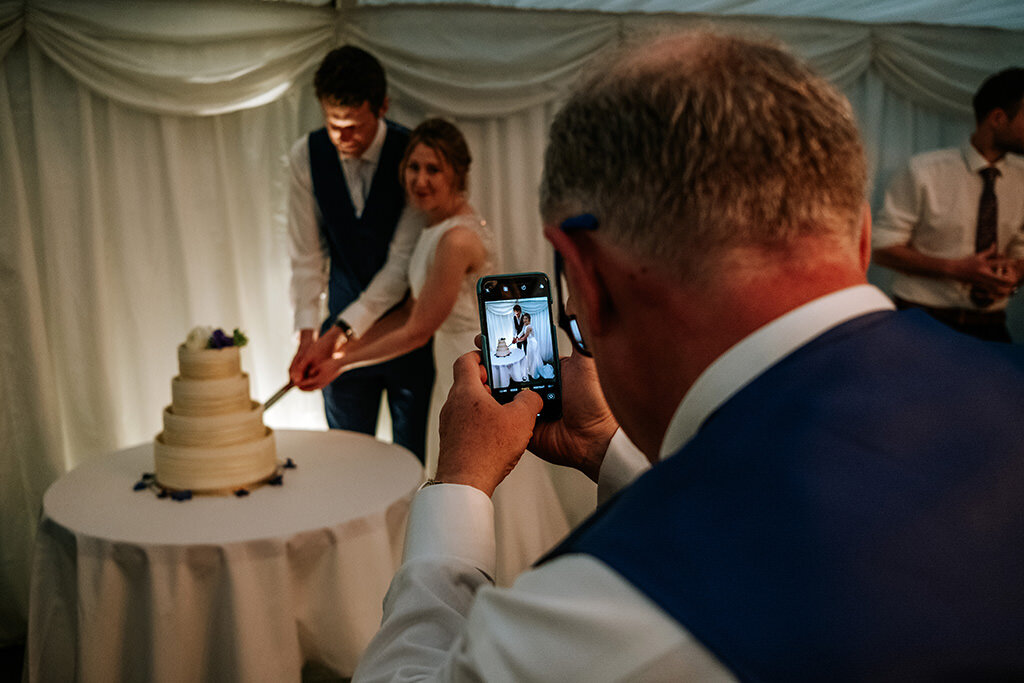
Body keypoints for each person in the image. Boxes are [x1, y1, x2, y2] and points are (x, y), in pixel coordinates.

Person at [352, 30, 1024, 681]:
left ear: (584, 276)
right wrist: (605, 448)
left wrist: (460, 489)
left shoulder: (615, 605)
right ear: (860, 236)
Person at [294, 118, 569, 585]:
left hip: (474, 368)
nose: (420, 180)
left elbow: (419, 329)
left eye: (433, 169)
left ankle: (507, 581)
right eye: (413, 168)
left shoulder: (456, 239)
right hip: (450, 365)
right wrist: (339, 343)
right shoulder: (433, 230)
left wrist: (342, 362)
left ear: (457, 175)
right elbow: (410, 312)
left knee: (493, 481)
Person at [287, 45, 434, 462]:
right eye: (334, 125)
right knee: (348, 464)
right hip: (337, 336)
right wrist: (307, 338)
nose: (342, 138)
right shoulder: (306, 156)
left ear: (382, 106)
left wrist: (337, 336)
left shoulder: (412, 156)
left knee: (411, 465)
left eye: (353, 126)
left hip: (405, 337)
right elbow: (306, 257)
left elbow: (401, 266)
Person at [872, 67, 1024, 342]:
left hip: (991, 329)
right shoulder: (923, 171)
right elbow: (882, 249)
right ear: (999, 118)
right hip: (921, 324)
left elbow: (1021, 249)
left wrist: (1015, 273)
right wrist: (955, 269)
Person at [513, 312, 542, 379]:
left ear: (529, 319)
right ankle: (531, 370)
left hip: (533, 343)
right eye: (523, 319)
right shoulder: (525, 326)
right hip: (530, 343)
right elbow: (521, 333)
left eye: (526, 319)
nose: (524, 320)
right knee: (530, 356)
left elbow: (524, 337)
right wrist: (516, 337)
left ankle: (534, 372)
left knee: (533, 357)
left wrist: (517, 341)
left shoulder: (529, 327)